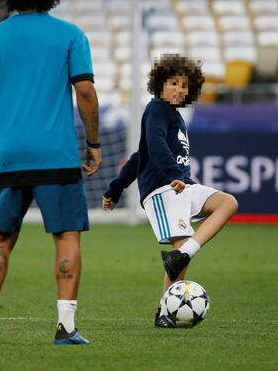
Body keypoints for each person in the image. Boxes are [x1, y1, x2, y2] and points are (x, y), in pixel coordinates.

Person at [0, 0, 102, 345]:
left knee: (1, 237)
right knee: (66, 236)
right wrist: (93, 144)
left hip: (9, 157)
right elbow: (87, 92)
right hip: (56, 156)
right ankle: (65, 326)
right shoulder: (70, 35)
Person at [102, 53, 238, 328]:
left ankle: (184, 253)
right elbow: (151, 145)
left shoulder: (174, 116)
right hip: (163, 189)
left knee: (227, 203)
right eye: (173, 83)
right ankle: (166, 311)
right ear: (160, 84)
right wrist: (118, 188)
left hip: (183, 186)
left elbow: (139, 156)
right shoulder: (157, 109)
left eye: (184, 85)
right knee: (179, 245)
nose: (179, 89)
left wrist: (116, 189)